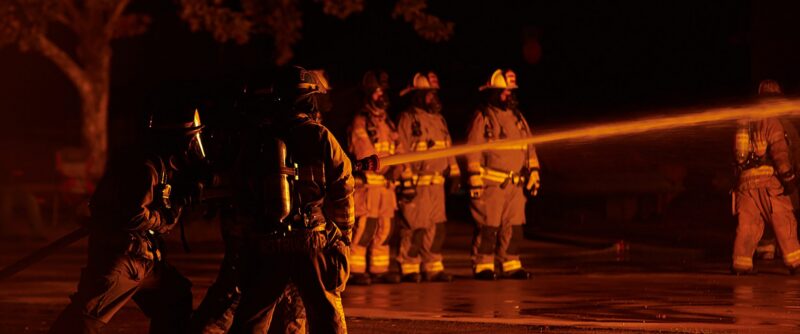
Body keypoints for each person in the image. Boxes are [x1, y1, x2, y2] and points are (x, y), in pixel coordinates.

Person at [48, 103, 209, 333]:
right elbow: (133, 215)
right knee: (82, 322)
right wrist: (163, 217)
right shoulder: (145, 169)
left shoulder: (157, 166)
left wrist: (178, 201)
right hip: (123, 261)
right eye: (191, 141)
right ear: (176, 141)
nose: (193, 148)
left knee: (175, 297)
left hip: (142, 261)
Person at [227, 66, 353, 333]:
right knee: (327, 317)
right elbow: (343, 188)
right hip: (311, 239)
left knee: (252, 319)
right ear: (310, 99)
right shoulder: (321, 136)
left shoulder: (257, 138)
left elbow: (241, 192)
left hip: (267, 242)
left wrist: (244, 240)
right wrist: (344, 235)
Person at [465, 69, 540, 280]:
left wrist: (534, 172)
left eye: (511, 91)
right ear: (494, 93)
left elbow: (530, 148)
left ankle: (510, 263)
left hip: (516, 185)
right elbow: (473, 149)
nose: (510, 95)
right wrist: (474, 178)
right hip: (492, 184)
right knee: (489, 227)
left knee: (515, 227)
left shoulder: (518, 118)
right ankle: (483, 265)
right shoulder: (483, 117)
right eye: (506, 92)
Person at [394, 71, 459, 282]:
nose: (434, 97)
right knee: (415, 228)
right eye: (429, 94)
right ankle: (409, 267)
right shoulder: (407, 118)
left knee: (437, 227)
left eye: (434, 93)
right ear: (419, 96)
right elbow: (400, 150)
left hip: (437, 184)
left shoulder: (439, 120)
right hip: (417, 184)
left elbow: (448, 147)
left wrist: (455, 172)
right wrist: (406, 179)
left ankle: (433, 267)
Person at [731, 79, 800, 275]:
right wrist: (789, 178)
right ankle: (795, 262)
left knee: (747, 225)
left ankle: (740, 264)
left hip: (745, 186)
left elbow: (737, 159)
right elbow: (780, 153)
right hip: (770, 184)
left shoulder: (746, 123)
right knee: (783, 220)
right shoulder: (773, 122)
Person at [347, 70, 403, 285]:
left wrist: (398, 171)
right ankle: (356, 270)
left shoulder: (387, 122)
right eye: (377, 93)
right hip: (370, 186)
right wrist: (386, 168)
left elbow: (400, 149)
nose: (382, 96)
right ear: (368, 95)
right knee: (365, 229)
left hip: (387, 188)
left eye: (383, 92)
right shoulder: (361, 121)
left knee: (385, 229)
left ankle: (379, 269)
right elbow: (363, 152)